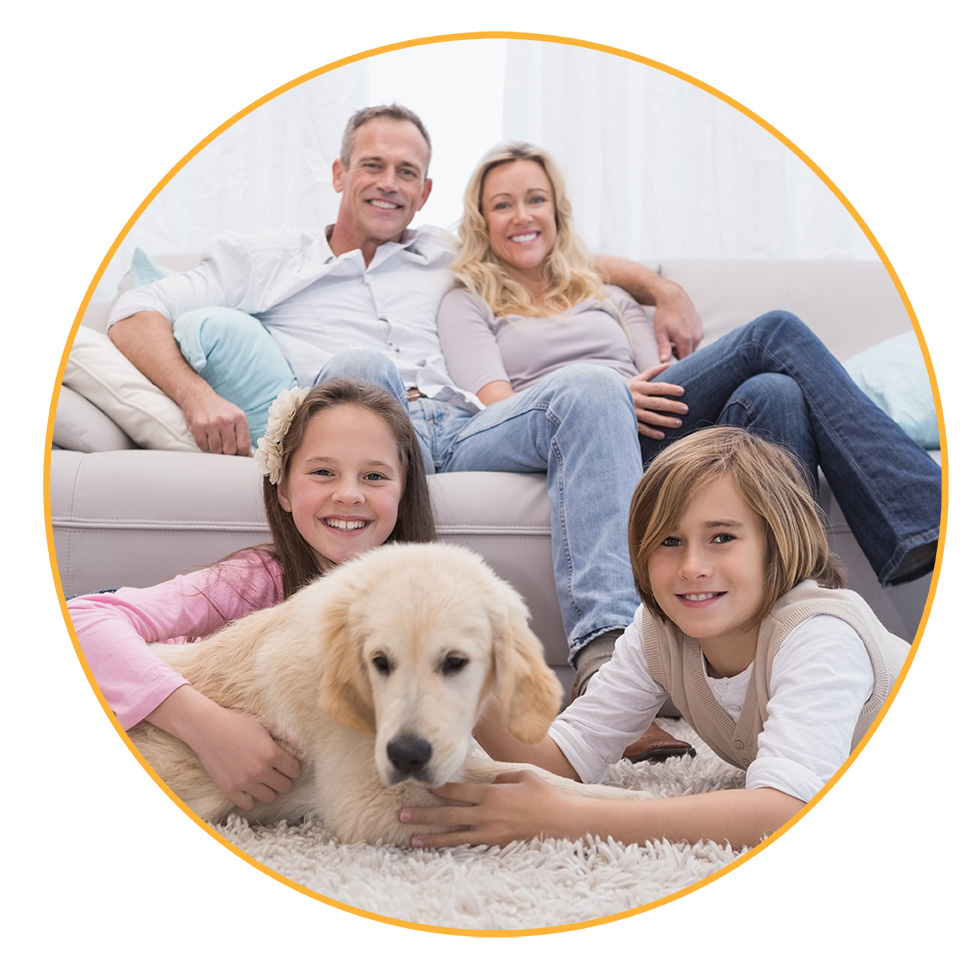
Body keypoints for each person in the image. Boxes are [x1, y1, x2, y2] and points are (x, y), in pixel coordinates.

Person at [105, 104, 702, 706]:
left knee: (593, 385)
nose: (390, 182)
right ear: (339, 173)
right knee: (361, 367)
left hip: (466, 429)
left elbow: (565, 257)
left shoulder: (448, 253)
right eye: (373, 165)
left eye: (407, 171)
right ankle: (373, 664)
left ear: (425, 192)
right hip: (367, 432)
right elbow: (133, 314)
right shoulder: (266, 258)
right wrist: (197, 394)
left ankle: (610, 678)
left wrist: (664, 289)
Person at [436, 141, 941, 593]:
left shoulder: (606, 294)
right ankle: (925, 512)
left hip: (656, 423)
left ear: (557, 211)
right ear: (482, 221)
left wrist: (637, 380)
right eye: (503, 205)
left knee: (775, 392)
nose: (522, 215)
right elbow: (496, 407)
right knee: (775, 332)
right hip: (579, 434)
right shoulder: (468, 302)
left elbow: (657, 369)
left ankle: (793, 596)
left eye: (535, 199)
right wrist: (603, 398)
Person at [398, 427, 911, 850]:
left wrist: (567, 818)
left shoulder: (818, 634)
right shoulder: (659, 629)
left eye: (722, 537)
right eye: (669, 541)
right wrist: (453, 664)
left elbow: (784, 813)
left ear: (777, 542)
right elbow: (564, 758)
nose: (691, 567)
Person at [69, 379, 437, 812]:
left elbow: (500, 736)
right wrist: (207, 729)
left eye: (374, 476)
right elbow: (81, 618)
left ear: (403, 489)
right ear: (283, 490)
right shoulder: (253, 580)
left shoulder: (429, 604)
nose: (349, 494)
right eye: (323, 472)